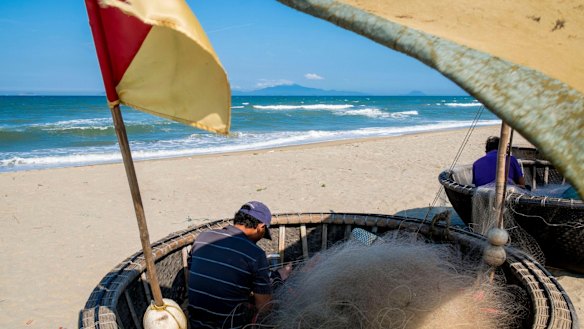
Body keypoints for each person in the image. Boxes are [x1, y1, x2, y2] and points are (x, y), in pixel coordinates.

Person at [187, 201, 291, 329]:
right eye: (263, 233)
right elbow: (264, 308)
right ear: (261, 227)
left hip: (195, 324)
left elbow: (194, 274)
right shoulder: (255, 254)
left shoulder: (203, 237)